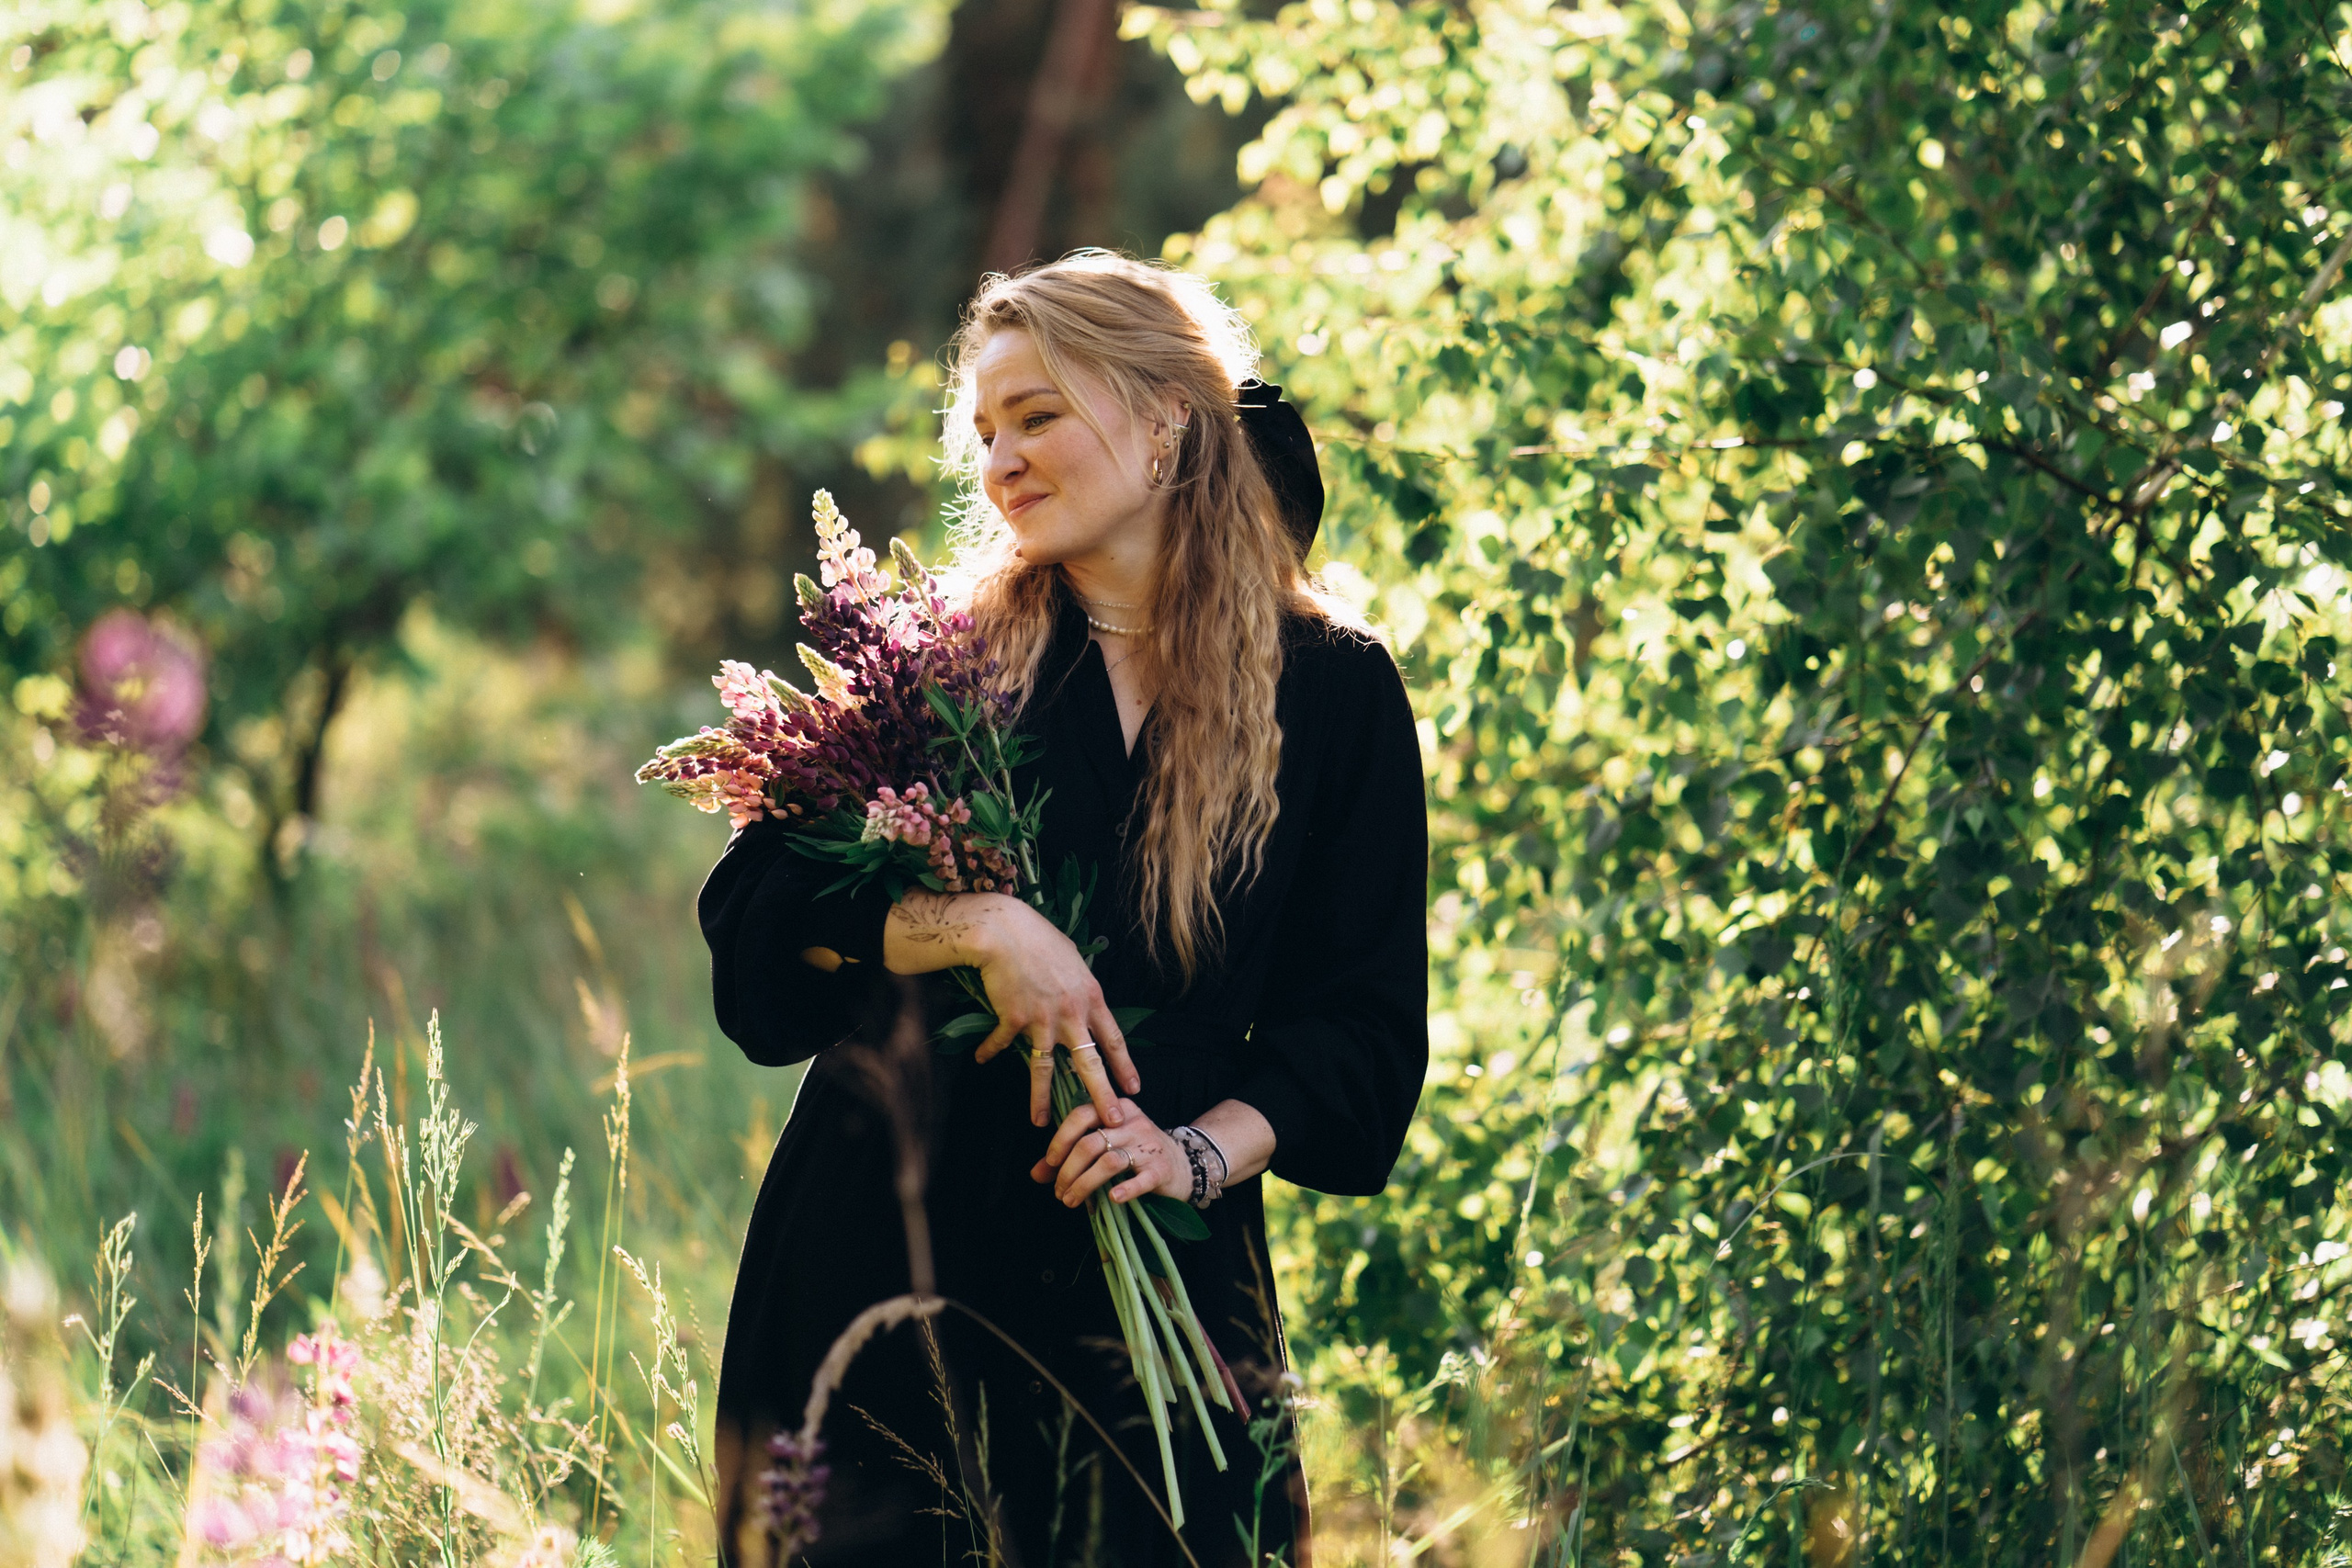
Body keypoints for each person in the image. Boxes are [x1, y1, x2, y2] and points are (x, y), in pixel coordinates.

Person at [698, 251, 1429, 1567]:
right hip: (886, 1266)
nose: (1001, 459)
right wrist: (978, 928)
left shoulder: (1333, 691)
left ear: (1165, 424)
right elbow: (756, 919)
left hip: (1160, 1289)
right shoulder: (939, 666)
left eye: (1037, 415)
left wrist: (1195, 1153)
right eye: (984, 431)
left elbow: (1362, 1029)